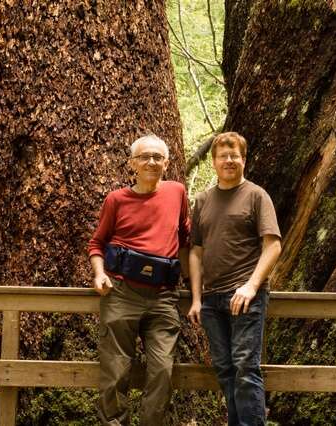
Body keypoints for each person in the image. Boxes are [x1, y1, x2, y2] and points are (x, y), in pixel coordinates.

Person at [87, 134, 190, 426]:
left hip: (163, 296)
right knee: (116, 371)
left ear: (167, 163)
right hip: (121, 293)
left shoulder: (177, 192)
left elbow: (184, 240)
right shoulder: (116, 200)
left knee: (162, 373)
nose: (151, 162)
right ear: (132, 163)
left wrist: (193, 286)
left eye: (158, 157)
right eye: (144, 157)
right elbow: (97, 244)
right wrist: (99, 273)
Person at [187, 132, 281, 426]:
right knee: (225, 369)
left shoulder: (256, 195)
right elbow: (196, 253)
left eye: (234, 156)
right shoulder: (202, 200)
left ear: (244, 160)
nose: (229, 161)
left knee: (245, 368)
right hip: (212, 299)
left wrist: (252, 286)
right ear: (213, 162)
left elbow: (274, 245)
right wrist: (196, 299)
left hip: (244, 297)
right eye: (223, 156)